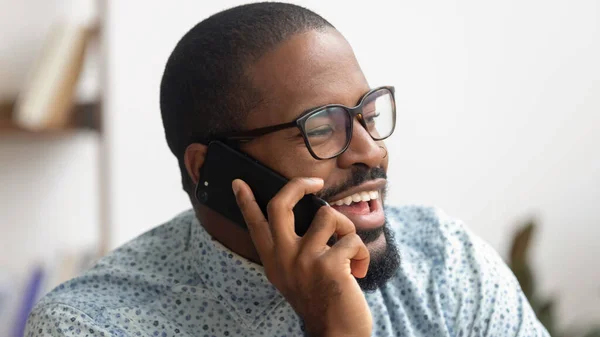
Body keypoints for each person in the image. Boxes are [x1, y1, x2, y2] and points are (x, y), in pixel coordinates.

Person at [26, 2, 550, 336]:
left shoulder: (445, 262)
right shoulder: (91, 326)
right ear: (209, 169)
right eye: (321, 128)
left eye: (366, 113)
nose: (370, 151)